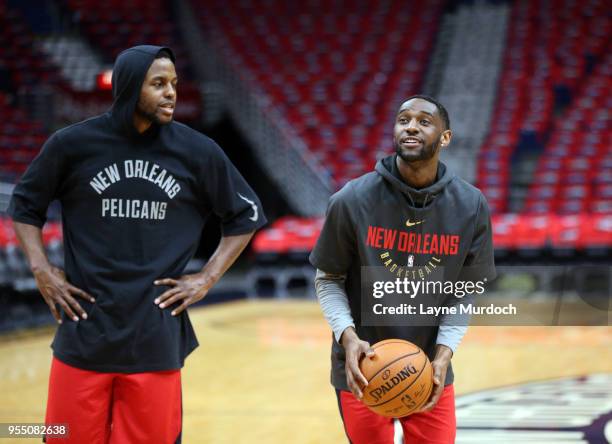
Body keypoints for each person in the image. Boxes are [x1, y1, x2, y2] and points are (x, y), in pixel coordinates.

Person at [9, 45, 266, 443]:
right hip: (83, 329)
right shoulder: (73, 145)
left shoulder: (196, 151)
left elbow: (246, 215)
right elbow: (26, 205)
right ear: (130, 86)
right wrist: (41, 269)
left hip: (155, 334)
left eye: (174, 84)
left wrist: (206, 278)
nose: (171, 93)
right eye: (158, 84)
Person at [310, 95, 496, 443]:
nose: (411, 126)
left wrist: (443, 356)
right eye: (403, 119)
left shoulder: (470, 205)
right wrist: (348, 339)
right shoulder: (350, 200)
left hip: (430, 366)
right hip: (363, 369)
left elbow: (464, 292)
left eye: (424, 121)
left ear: (445, 137)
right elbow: (329, 279)